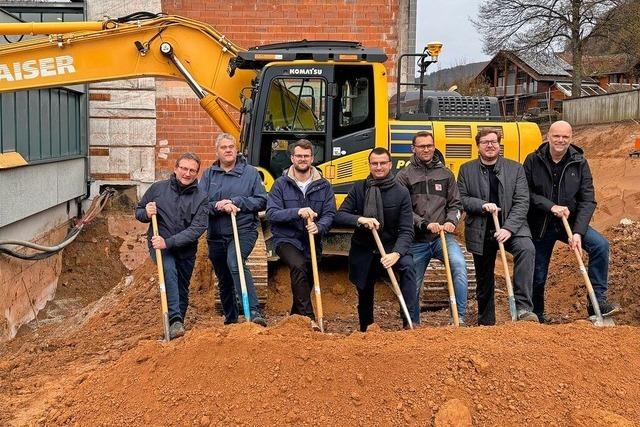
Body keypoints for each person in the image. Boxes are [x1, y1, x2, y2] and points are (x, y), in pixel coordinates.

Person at [523, 120, 621, 322]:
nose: (561, 140)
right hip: (541, 224)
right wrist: (550, 206)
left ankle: (597, 304)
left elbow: (588, 199)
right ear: (548, 136)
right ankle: (537, 316)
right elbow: (526, 193)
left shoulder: (579, 162)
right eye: (557, 136)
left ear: (570, 138)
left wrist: (578, 232)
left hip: (571, 223)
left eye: (565, 137)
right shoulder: (533, 160)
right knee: (538, 272)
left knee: (600, 245)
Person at [457, 128, 538, 325]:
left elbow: (522, 201)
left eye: (494, 141)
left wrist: (508, 228)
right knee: (484, 277)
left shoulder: (515, 169)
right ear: (478, 146)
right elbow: (462, 199)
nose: (490, 145)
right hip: (481, 228)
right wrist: (481, 205)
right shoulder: (466, 169)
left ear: (499, 144)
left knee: (527, 249)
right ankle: (486, 320)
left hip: (512, 228)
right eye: (485, 142)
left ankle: (524, 308)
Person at [334, 147, 416, 331]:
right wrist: (360, 219)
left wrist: (396, 253)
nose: (378, 167)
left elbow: (406, 230)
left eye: (382, 163)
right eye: (374, 163)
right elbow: (339, 216)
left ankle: (409, 324)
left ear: (390, 164)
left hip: (390, 248)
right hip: (364, 249)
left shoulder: (401, 192)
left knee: (408, 268)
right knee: (364, 289)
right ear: (369, 165)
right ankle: (366, 329)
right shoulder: (359, 188)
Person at [395, 131, 468, 326]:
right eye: (421, 146)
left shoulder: (445, 174)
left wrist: (452, 220)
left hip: (441, 238)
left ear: (434, 146)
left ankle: (458, 318)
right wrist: (425, 224)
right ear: (414, 149)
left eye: (429, 145)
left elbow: (456, 204)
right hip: (417, 240)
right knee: (412, 282)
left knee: (459, 266)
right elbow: (403, 211)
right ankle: (412, 323)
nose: (426, 149)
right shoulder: (404, 176)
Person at [135, 152, 208, 339]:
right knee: (169, 273)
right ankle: (175, 319)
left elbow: (197, 228)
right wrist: (146, 211)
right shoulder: (158, 189)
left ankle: (177, 329)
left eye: (192, 170)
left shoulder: (201, 198)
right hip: (160, 246)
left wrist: (169, 242)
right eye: (184, 168)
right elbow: (138, 211)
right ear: (176, 168)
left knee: (182, 288)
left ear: (197, 173)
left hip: (185, 248)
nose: (187, 173)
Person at [266, 139, 336, 327]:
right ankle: (309, 319)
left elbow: (330, 213)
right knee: (298, 266)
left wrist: (319, 227)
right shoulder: (280, 184)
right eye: (299, 156)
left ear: (312, 158)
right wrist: (297, 211)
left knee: (307, 279)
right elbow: (272, 213)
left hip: (312, 239)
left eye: (306, 156)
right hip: (286, 239)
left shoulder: (324, 186)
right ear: (292, 158)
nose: (302, 159)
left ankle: (294, 320)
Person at [199, 133, 268, 326]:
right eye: (224, 147)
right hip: (216, 233)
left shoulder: (251, 173)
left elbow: (262, 200)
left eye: (231, 146)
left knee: (236, 262)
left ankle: (253, 311)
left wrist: (237, 202)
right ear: (217, 151)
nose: (228, 150)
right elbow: (200, 203)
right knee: (223, 277)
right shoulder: (209, 175)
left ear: (236, 150)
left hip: (243, 229)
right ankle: (230, 320)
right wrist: (218, 206)